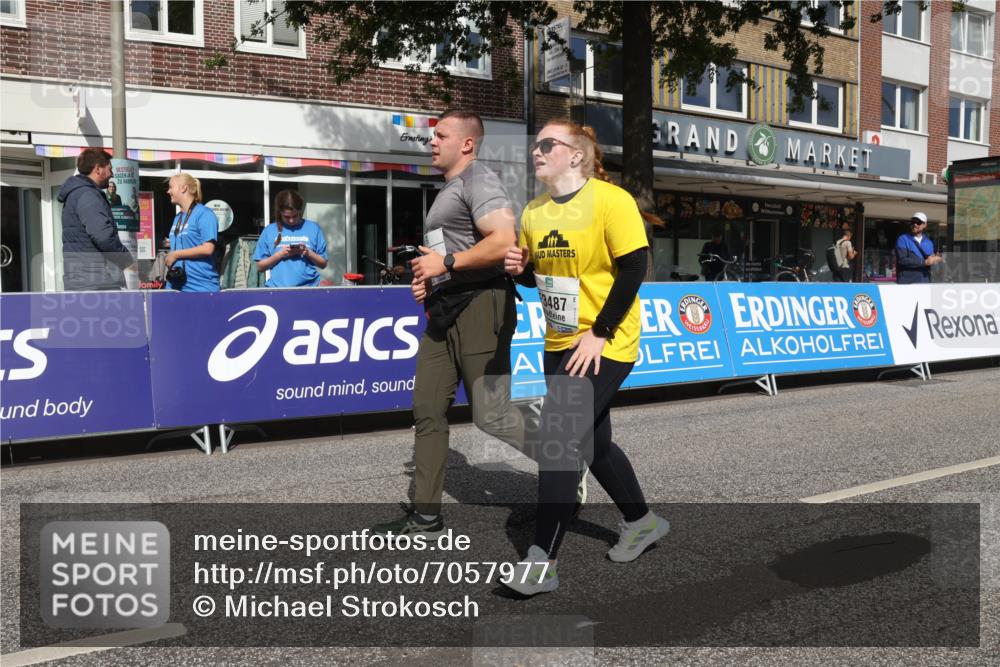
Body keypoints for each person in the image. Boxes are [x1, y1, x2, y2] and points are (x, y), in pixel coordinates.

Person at [503, 120, 669, 596]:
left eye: (548, 144)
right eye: (535, 145)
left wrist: (599, 332)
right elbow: (540, 281)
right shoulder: (534, 211)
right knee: (594, 444)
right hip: (558, 343)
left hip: (605, 341)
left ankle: (541, 563)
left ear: (576, 155)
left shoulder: (609, 201)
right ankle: (641, 522)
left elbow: (635, 266)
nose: (537, 151)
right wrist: (522, 269)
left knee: (557, 437)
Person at [372, 109, 534, 538]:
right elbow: (451, 252)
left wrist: (445, 262)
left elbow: (503, 241)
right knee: (426, 409)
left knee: (492, 415)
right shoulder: (448, 190)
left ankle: (566, 462)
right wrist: (429, 276)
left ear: (466, 143)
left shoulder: (478, 178)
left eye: (440, 135)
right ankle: (426, 515)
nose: (431, 142)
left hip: (483, 304)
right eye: (432, 135)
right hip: (445, 310)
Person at [58, 148, 135, 291]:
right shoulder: (88, 195)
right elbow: (102, 236)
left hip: (84, 280)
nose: (112, 174)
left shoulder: (78, 194)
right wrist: (125, 258)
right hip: (96, 282)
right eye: (109, 169)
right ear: (97, 169)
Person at [253, 190, 329, 287]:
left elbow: (323, 264)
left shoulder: (313, 228)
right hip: (277, 290)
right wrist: (280, 254)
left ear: (300, 211)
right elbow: (260, 267)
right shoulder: (269, 231)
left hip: (309, 289)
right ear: (280, 213)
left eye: (295, 216)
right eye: (287, 217)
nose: (291, 220)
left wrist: (307, 252)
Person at [164, 173, 220, 293]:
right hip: (175, 285)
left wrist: (175, 255)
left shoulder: (204, 214)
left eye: (171, 187)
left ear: (183, 188)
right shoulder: (178, 217)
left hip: (200, 287)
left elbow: (208, 249)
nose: (168, 191)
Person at [895, 212, 941, 284]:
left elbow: (930, 262)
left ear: (925, 225)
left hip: (925, 282)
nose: (915, 224)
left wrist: (936, 260)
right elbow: (902, 260)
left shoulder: (929, 242)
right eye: (913, 222)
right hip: (907, 284)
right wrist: (925, 262)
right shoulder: (903, 239)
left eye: (918, 222)